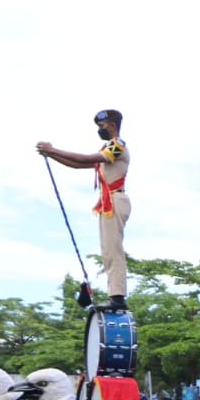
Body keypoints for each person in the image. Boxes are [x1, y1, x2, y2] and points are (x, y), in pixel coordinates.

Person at [36, 110, 131, 310]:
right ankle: (114, 294)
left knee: (113, 250)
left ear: (112, 125)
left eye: (102, 125)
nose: (100, 129)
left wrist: (53, 150)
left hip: (115, 200)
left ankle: (117, 298)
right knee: (107, 251)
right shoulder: (107, 148)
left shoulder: (118, 145)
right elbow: (77, 165)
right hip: (108, 202)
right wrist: (51, 154)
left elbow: (85, 158)